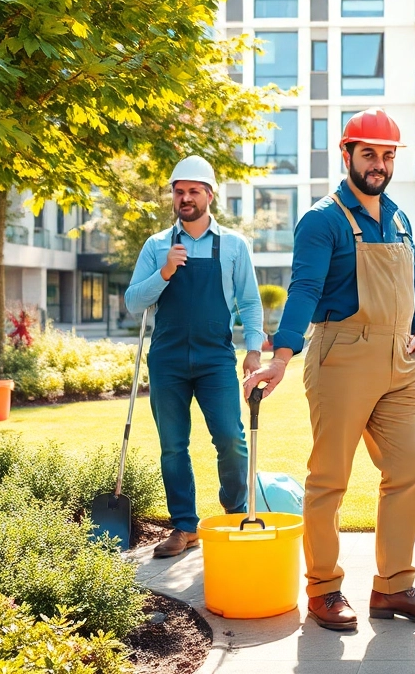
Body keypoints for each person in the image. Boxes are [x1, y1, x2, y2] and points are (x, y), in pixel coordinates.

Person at [244, 108, 415, 632]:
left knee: (409, 469)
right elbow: (305, 290)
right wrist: (281, 356)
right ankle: (324, 590)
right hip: (342, 355)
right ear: (347, 155)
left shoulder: (399, 217)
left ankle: (394, 587)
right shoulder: (323, 220)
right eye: (369, 154)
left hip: (401, 362)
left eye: (387, 155)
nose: (379, 165)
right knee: (330, 479)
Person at [125, 155, 265, 559]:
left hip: (215, 358)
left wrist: (253, 350)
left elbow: (250, 303)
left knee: (231, 440)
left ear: (209, 195)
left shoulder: (234, 246)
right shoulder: (156, 246)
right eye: (178, 191)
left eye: (193, 191)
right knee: (173, 446)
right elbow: (134, 302)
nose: (184, 197)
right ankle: (184, 526)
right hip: (167, 358)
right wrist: (165, 272)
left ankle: (235, 513)